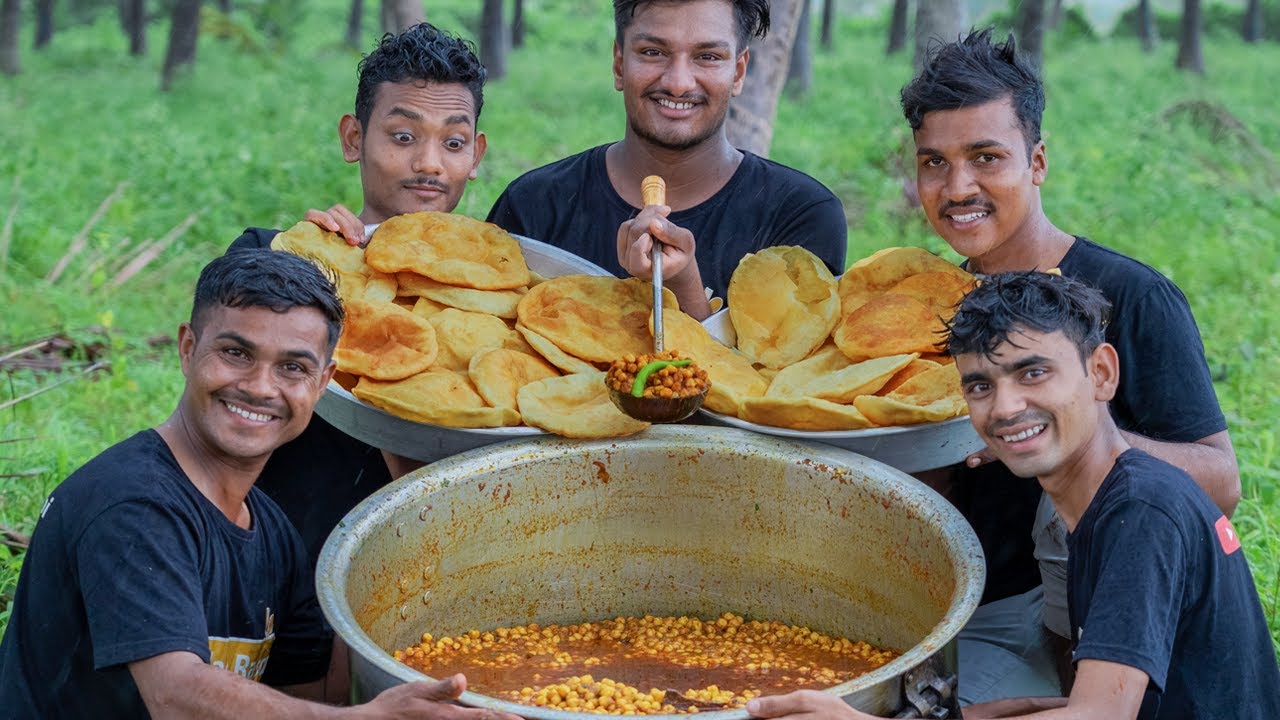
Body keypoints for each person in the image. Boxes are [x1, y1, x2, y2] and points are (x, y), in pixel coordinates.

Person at [0, 250, 517, 719]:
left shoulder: (271, 532)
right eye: (236, 353)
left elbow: (313, 699)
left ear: (323, 383)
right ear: (187, 348)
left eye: (293, 367)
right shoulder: (131, 503)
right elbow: (176, 696)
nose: (260, 386)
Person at [746, 271, 1280, 720]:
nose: (1004, 408)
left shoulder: (1140, 509)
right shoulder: (1108, 501)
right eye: (980, 385)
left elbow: (1098, 716)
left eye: (1033, 372)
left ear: (1101, 373)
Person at [896, 29, 1240, 702]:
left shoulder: (1132, 296)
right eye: (934, 163)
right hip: (976, 611)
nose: (958, 186)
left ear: (1039, 161)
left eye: (986, 157)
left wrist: (1066, 437)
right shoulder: (927, 302)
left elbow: (1221, 481)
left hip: (1113, 629)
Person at [228, 22, 490, 563]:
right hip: (280, 575)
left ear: (476, 155)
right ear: (354, 138)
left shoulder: (491, 314)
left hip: (428, 569)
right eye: (403, 136)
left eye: (454, 142)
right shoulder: (268, 257)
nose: (429, 163)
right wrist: (311, 273)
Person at [485, 0, 847, 319]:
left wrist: (684, 291)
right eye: (653, 52)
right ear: (618, 63)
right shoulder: (533, 206)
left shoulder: (801, 218)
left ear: (737, 73)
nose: (678, 83)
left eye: (707, 57)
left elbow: (783, 388)